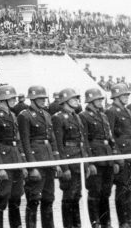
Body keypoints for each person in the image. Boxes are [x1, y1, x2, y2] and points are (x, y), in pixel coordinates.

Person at [18, 85, 60, 228]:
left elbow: (52, 139)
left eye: (44, 98)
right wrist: (32, 166)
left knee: (49, 198)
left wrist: (56, 161)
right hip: (36, 160)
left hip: (48, 159)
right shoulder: (25, 115)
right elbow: (25, 142)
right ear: (32, 99)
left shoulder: (47, 115)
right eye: (40, 98)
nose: (43, 100)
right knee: (34, 199)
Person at [0, 85, 27, 228]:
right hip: (3, 159)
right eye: (12, 98)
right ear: (4, 99)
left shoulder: (13, 115)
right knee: (1, 198)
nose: (15, 100)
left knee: (16, 197)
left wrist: (23, 163)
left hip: (15, 159)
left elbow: (18, 141)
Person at [80, 87, 118, 228]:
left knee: (106, 192)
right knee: (95, 192)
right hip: (95, 158)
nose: (101, 101)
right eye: (98, 99)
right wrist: (90, 162)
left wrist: (114, 158)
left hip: (107, 157)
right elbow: (85, 140)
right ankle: (95, 222)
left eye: (101, 99)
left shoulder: (103, 115)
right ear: (90, 101)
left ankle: (106, 222)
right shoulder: (84, 116)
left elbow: (110, 138)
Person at [53, 88, 88, 228]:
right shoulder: (58, 117)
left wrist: (85, 164)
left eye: (76, 98)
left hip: (78, 159)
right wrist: (64, 167)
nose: (76, 101)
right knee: (69, 196)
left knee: (77, 195)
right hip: (69, 160)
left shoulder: (76, 116)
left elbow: (82, 141)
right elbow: (59, 144)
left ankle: (76, 224)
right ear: (65, 101)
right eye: (73, 98)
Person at [106, 82, 131, 228]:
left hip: (129, 154)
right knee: (122, 188)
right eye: (124, 95)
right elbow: (109, 135)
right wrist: (116, 155)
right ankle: (123, 221)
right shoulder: (111, 111)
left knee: (129, 189)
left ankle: (129, 219)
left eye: (127, 95)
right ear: (116, 96)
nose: (127, 97)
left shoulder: (126, 110)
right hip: (121, 155)